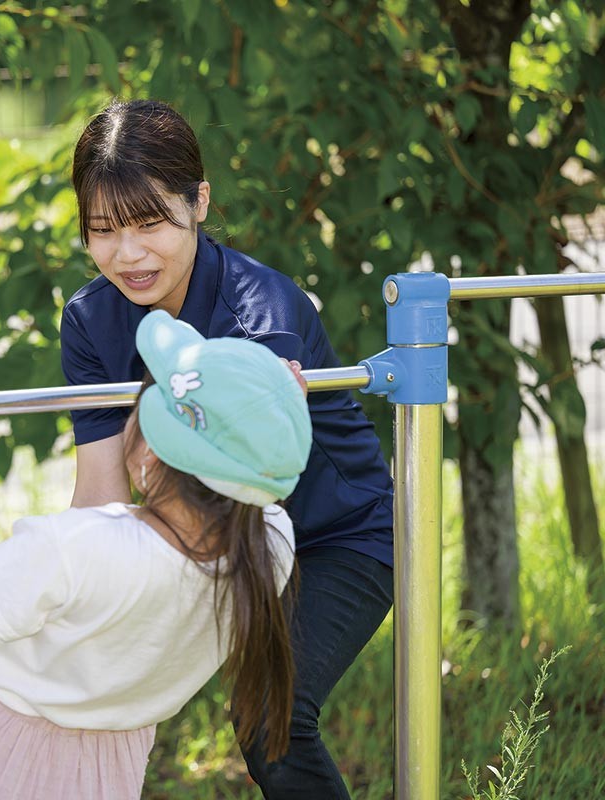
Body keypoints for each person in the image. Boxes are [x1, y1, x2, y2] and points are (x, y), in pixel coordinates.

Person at [0, 310, 313, 799]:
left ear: (148, 454)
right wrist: (271, 413)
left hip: (1, 732)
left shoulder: (84, 546)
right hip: (109, 761)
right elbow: (256, 483)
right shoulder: (269, 546)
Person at [61, 98, 395, 798]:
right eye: (103, 230)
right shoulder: (91, 319)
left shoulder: (261, 314)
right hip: (206, 536)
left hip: (337, 534)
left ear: (199, 202)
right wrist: (70, 594)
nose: (128, 253)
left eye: (150, 222)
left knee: (269, 718)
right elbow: (98, 492)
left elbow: (241, 491)